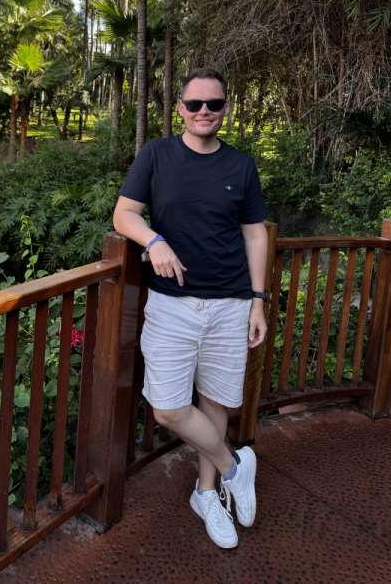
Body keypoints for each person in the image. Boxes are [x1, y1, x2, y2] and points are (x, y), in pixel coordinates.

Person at [112, 67, 270, 549]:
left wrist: (258, 302)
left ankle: (206, 493)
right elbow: (123, 213)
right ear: (179, 109)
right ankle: (234, 466)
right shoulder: (157, 155)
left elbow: (254, 233)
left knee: (216, 401)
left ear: (225, 110)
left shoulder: (241, 166)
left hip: (230, 302)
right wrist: (153, 240)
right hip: (171, 305)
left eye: (214, 104)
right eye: (195, 104)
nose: (205, 112)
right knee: (168, 408)